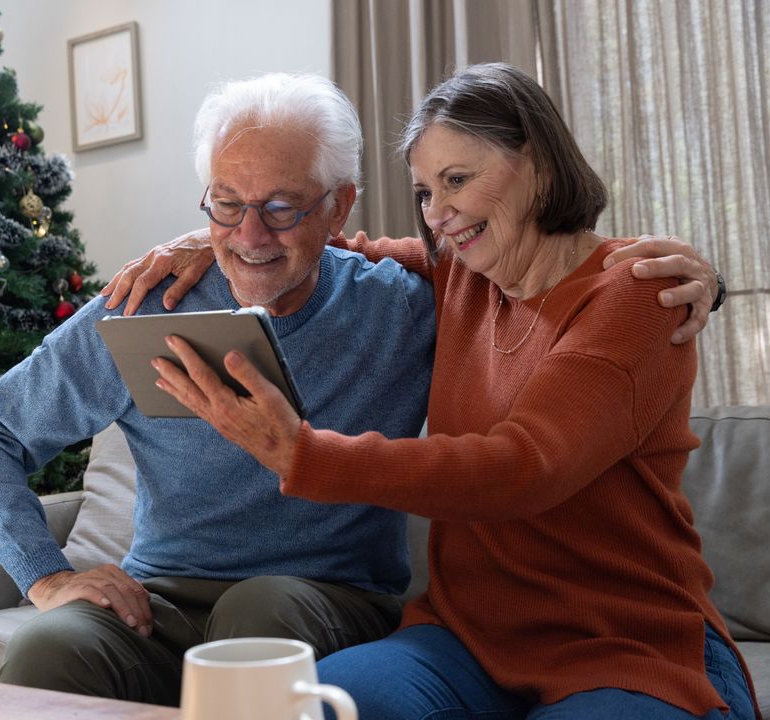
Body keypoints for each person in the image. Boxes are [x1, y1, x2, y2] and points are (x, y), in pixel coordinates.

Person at [123, 64, 759, 718]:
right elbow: (322, 235)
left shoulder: (637, 295)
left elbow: (524, 465)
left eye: (458, 181)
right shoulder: (459, 274)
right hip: (466, 640)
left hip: (621, 641)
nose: (439, 213)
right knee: (323, 702)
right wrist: (214, 236)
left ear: (536, 164)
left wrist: (305, 454)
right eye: (426, 191)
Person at [0, 73, 438, 704]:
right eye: (228, 205)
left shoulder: (400, 309)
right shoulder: (146, 307)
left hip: (328, 600)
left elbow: (504, 268)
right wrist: (47, 578)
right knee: (49, 647)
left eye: (282, 208)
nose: (250, 237)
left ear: (339, 207)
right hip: (160, 602)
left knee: (259, 618)